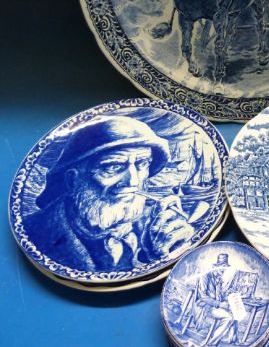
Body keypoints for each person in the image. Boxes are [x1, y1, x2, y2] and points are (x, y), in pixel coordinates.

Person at [24, 116, 195, 272]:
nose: (133, 181)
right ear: (73, 180)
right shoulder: (32, 232)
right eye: (113, 166)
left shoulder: (157, 221)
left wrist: (168, 250)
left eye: (142, 164)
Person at [193, 253, 239, 347]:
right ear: (217, 267)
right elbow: (202, 296)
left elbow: (217, 296)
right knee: (229, 318)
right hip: (204, 307)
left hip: (213, 306)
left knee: (235, 313)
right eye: (222, 268)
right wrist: (220, 304)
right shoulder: (205, 276)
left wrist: (228, 296)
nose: (223, 271)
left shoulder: (218, 278)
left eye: (224, 268)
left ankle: (233, 341)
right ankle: (211, 343)